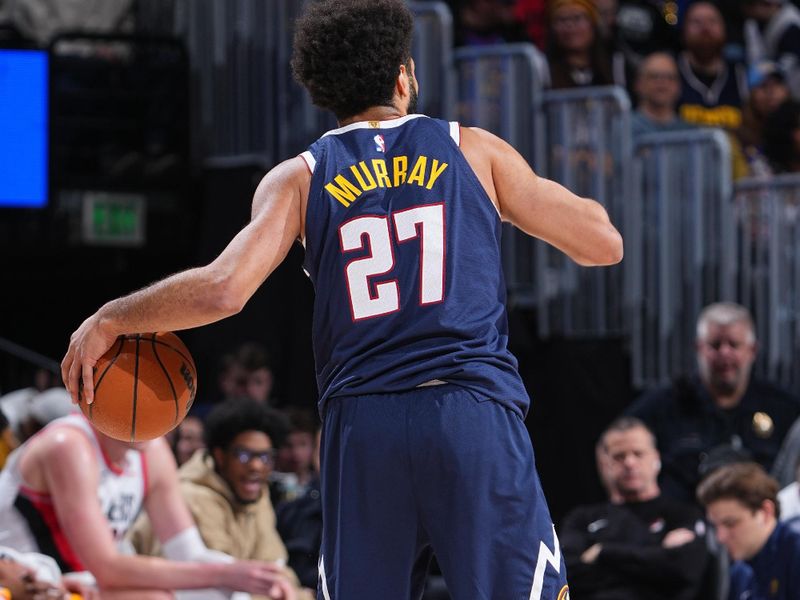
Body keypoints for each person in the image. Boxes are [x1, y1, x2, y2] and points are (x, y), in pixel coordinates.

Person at [60, 1, 624, 597]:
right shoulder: (472, 149)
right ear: (405, 75)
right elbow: (603, 244)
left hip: (363, 427)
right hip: (468, 413)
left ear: (323, 92)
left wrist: (111, 317)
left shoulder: (298, 177)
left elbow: (224, 288)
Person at [0, 413, 296, 599]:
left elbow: (189, 554)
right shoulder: (69, 444)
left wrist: (254, 577)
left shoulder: (153, 450)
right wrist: (228, 574)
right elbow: (107, 568)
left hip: (79, 580)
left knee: (225, 594)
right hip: (21, 576)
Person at [129, 399, 313, 599]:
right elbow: (212, 588)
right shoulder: (192, 496)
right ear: (220, 456)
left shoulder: (257, 496)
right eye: (244, 456)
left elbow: (274, 566)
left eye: (264, 457)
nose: (256, 466)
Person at [626, 302, 800, 503]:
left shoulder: (783, 406)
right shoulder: (664, 404)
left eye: (734, 345)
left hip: (763, 522)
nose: (724, 353)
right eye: (715, 345)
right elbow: (615, 441)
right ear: (699, 348)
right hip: (682, 521)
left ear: (752, 350)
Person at [560, 417, 709, 599]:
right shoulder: (582, 519)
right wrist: (654, 559)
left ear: (656, 458)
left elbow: (684, 568)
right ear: (605, 464)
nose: (629, 463)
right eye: (619, 456)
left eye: (638, 454)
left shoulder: (683, 515)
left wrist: (603, 552)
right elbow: (567, 575)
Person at [697, 462, 800, 600]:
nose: (720, 537)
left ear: (766, 512)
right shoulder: (740, 572)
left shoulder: (795, 554)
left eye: (730, 523)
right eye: (716, 526)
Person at [677, 1, 748, 131]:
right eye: (696, 22)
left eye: (712, 21)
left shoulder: (741, 74)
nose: (705, 29)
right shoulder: (670, 73)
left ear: (725, 29)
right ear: (683, 30)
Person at [631, 51, 694, 137]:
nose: (662, 82)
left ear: (679, 86)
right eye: (654, 76)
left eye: (670, 77)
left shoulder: (691, 132)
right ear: (638, 84)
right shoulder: (621, 128)